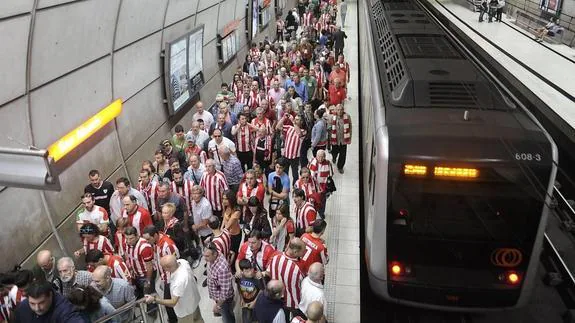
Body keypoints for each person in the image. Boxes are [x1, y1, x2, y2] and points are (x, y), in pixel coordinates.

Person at [144, 255, 204, 323]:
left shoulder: (179, 281)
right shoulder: (183, 262)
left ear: (168, 268)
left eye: (163, 267)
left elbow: (173, 302)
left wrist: (154, 299)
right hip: (194, 302)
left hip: (185, 312)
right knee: (198, 320)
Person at [142, 226, 180, 323]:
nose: (146, 241)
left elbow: (176, 261)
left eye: (148, 239)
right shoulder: (156, 243)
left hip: (171, 278)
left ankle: (173, 320)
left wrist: (171, 279)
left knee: (169, 303)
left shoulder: (167, 245)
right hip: (165, 277)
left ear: (155, 235)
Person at [13, 280, 87, 322]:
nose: (37, 308)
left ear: (50, 295)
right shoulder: (23, 308)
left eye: (41, 302)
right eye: (32, 303)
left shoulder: (64, 309)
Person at [265, 238, 305, 316]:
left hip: (276, 298)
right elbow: (303, 284)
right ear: (295, 252)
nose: (304, 253)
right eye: (303, 251)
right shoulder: (298, 267)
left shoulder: (275, 257)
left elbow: (268, 272)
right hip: (293, 302)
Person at [204, 243, 236, 323]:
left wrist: (218, 306)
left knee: (227, 318)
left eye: (207, 256)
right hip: (218, 296)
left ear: (215, 254)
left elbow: (224, 293)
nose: (205, 259)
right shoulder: (214, 256)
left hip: (224, 300)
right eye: (204, 255)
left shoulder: (222, 269)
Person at [124, 226, 154, 299]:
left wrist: (148, 281)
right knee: (139, 296)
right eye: (126, 238)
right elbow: (127, 255)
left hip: (145, 275)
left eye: (131, 238)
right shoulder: (126, 243)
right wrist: (130, 268)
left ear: (137, 236)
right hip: (135, 274)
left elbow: (149, 266)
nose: (128, 241)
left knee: (148, 297)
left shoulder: (144, 247)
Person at [329, 104, 351, 173]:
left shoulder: (347, 116)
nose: (340, 111)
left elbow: (350, 127)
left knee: (343, 154)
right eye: (338, 110)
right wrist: (329, 140)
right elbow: (329, 128)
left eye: (341, 109)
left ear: (343, 110)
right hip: (335, 139)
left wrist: (349, 138)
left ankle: (340, 166)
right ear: (336, 110)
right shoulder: (332, 117)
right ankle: (334, 157)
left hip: (344, 140)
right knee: (334, 152)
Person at [220, 191, 242, 260]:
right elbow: (224, 218)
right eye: (223, 199)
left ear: (231, 199)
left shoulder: (237, 211)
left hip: (234, 235)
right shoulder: (226, 207)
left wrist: (221, 233)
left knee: (233, 253)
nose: (224, 201)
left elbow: (228, 225)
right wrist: (221, 228)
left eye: (226, 199)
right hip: (227, 234)